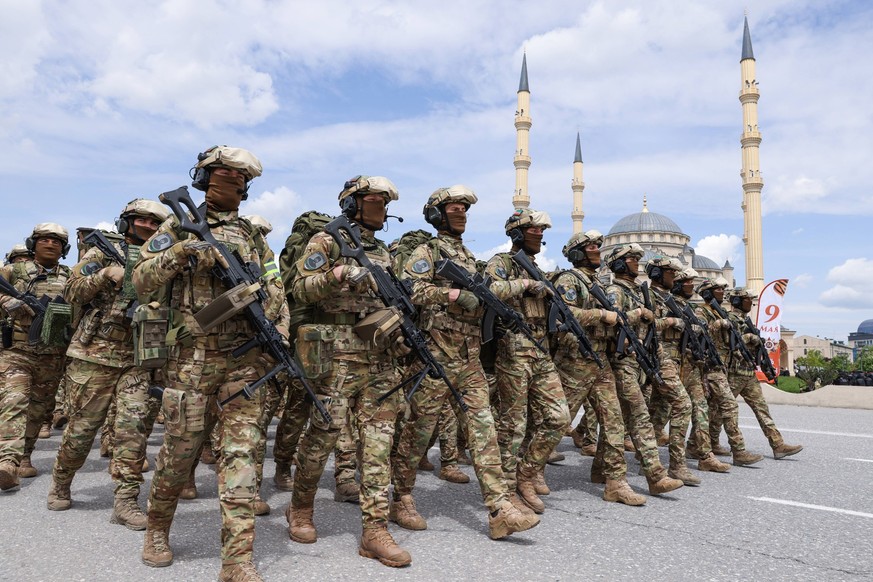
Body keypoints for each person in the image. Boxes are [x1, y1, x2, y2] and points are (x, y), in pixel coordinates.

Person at [134, 145, 283, 581]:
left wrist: (279, 334)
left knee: (241, 457)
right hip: (192, 360)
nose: (233, 184)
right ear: (203, 179)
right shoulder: (178, 225)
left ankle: (237, 561)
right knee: (179, 455)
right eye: (224, 175)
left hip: (245, 361)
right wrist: (182, 254)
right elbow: (141, 279)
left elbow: (274, 291)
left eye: (240, 179)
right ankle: (157, 528)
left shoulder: (254, 237)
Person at [390, 185, 539, 538]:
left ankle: (499, 506)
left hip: (469, 356)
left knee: (484, 429)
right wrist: (453, 293)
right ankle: (402, 497)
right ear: (436, 214)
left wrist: (509, 293)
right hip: (435, 354)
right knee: (420, 431)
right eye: (454, 208)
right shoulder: (427, 251)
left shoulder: (470, 257)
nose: (461, 214)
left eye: (464, 210)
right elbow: (410, 289)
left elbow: (486, 290)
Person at [286, 175, 411, 568]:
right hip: (336, 356)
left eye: (384, 202)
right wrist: (337, 275)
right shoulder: (327, 241)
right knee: (322, 437)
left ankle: (374, 530)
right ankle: (301, 508)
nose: (381, 207)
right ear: (353, 203)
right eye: (374, 200)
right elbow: (300, 288)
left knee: (378, 446)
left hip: (378, 357)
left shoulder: (384, 252)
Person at [47, 199, 168, 529]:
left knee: (132, 432)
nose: (148, 226)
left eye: (154, 223)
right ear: (127, 221)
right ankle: (61, 481)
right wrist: (103, 274)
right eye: (141, 220)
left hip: (138, 356)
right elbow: (72, 292)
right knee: (82, 430)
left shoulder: (161, 260)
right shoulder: (103, 251)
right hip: (95, 355)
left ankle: (126, 501)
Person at [553, 231, 658, 505]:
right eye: (590, 247)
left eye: (598, 247)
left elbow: (616, 323)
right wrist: (605, 315)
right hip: (574, 362)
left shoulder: (597, 283)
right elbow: (564, 313)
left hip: (599, 361)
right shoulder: (569, 280)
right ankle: (526, 472)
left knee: (614, 422)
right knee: (556, 422)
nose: (596, 251)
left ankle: (615, 482)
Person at [485, 208, 570, 515]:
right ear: (518, 234)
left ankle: (526, 472)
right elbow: (490, 291)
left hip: (541, 350)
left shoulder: (538, 269)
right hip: (514, 349)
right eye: (534, 231)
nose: (540, 236)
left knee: (559, 417)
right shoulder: (502, 263)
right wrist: (525, 286)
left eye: (541, 232)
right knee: (513, 425)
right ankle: (507, 489)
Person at [603, 244, 684, 495]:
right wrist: (639, 314)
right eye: (631, 258)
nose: (636, 262)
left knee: (621, 419)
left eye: (638, 258)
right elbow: (612, 321)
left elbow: (650, 327)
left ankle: (599, 468)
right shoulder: (615, 291)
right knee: (637, 416)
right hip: (623, 360)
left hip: (643, 358)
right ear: (618, 264)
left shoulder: (639, 292)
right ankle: (656, 476)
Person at [0, 223, 72, 491]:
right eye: (44, 239)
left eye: (56, 240)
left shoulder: (71, 276)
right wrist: (7, 302)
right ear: (33, 244)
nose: (51, 244)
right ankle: (7, 462)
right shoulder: (15, 271)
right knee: (14, 402)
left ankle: (24, 455)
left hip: (52, 355)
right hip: (17, 352)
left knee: (38, 409)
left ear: (63, 248)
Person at [656, 269, 731, 473]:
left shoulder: (688, 307)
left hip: (690, 363)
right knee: (661, 412)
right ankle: (650, 457)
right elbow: (649, 326)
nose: (691, 285)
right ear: (678, 284)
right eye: (687, 282)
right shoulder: (663, 303)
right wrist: (672, 322)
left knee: (700, 408)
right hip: (668, 362)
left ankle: (705, 455)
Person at [724, 288, 803, 460]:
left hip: (748, 372)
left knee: (762, 409)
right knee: (720, 412)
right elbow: (726, 344)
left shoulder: (747, 321)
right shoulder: (729, 319)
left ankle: (778, 444)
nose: (750, 303)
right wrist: (748, 339)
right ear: (737, 301)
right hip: (733, 373)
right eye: (746, 300)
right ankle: (702, 444)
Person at [695, 280, 763, 465]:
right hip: (709, 366)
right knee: (729, 405)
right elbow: (696, 332)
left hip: (723, 367)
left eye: (723, 289)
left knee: (711, 409)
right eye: (717, 289)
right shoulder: (702, 311)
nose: (721, 292)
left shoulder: (721, 312)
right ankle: (739, 451)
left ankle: (694, 445)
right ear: (707, 293)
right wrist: (717, 325)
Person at [644, 257, 698, 486]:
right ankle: (677, 464)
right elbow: (642, 324)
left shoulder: (671, 299)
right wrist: (669, 322)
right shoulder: (647, 296)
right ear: (657, 273)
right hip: (659, 356)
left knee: (659, 409)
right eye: (669, 272)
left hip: (675, 358)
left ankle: (644, 455)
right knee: (683, 404)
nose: (674, 277)